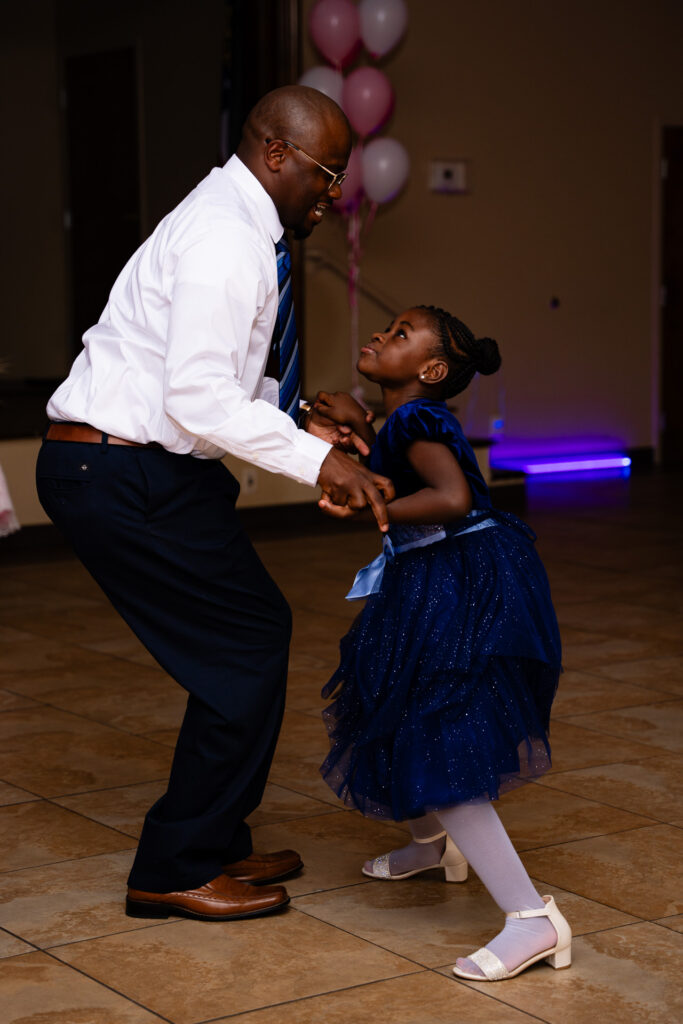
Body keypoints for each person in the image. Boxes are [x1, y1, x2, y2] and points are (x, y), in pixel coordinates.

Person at [35, 85, 393, 923]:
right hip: (122, 473)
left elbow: (212, 379)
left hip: (150, 468)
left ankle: (217, 835)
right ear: (276, 155)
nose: (333, 193)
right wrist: (318, 465)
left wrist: (301, 410)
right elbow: (198, 397)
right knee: (242, 650)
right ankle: (173, 866)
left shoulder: (237, 227)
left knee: (254, 634)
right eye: (325, 173)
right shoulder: (226, 240)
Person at [314, 305, 571, 982]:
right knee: (393, 709)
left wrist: (365, 501)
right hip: (435, 572)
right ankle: (431, 846)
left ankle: (531, 920)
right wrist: (364, 430)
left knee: (441, 731)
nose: (378, 335)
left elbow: (452, 496)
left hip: (459, 577)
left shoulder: (416, 419)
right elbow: (408, 464)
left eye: (399, 335)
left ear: (430, 370)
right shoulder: (403, 421)